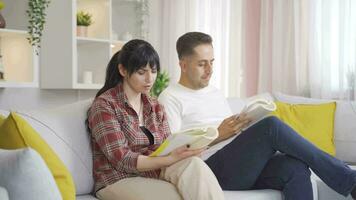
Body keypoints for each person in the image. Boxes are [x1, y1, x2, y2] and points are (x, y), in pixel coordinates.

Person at [158, 31, 356, 200]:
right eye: (202, 64)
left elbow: (231, 135)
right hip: (212, 170)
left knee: (294, 167)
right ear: (183, 65)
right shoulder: (170, 98)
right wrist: (218, 134)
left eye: (212, 62)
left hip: (240, 165)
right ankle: (350, 181)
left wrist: (243, 124)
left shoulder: (215, 92)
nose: (210, 70)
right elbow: (173, 153)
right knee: (272, 126)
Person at [87, 39, 225, 200]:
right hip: (118, 179)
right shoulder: (105, 106)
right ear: (123, 70)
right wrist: (169, 159)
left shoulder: (154, 105)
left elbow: (166, 144)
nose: (149, 79)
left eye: (153, 71)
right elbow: (122, 160)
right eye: (141, 72)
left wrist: (184, 151)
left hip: (154, 173)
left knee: (194, 164)